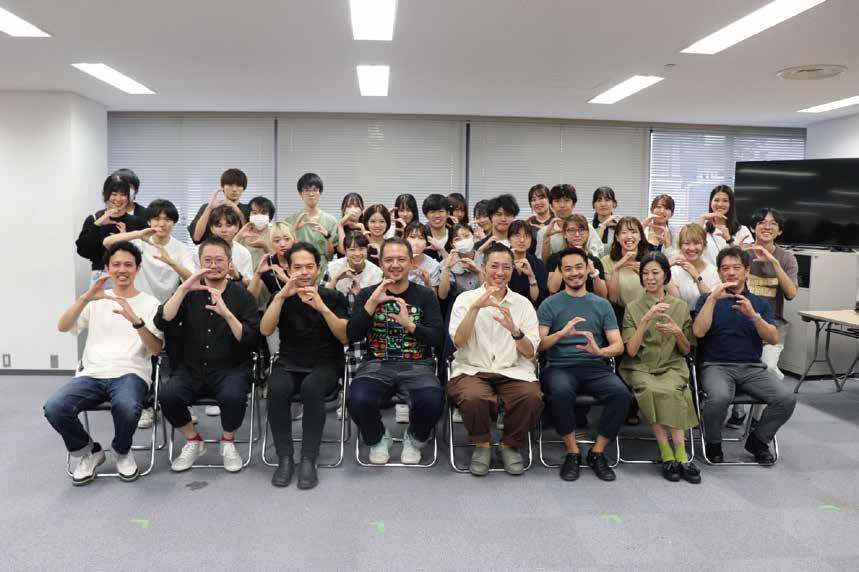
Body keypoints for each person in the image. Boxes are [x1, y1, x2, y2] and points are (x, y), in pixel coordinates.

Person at [44, 242, 163, 485]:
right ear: (107, 268)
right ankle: (89, 452)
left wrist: (137, 322)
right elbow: (63, 326)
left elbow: (156, 349)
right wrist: (85, 298)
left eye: (128, 265)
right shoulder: (96, 300)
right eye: (116, 264)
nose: (122, 270)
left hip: (131, 373)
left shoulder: (151, 303)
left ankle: (122, 451)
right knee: (55, 407)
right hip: (92, 373)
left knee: (128, 407)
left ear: (137, 269)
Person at [155, 237, 261, 472]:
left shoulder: (243, 297)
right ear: (199, 262)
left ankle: (227, 441)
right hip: (190, 369)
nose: (213, 265)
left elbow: (251, 339)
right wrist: (182, 288)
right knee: (168, 395)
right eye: (208, 260)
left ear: (229, 263)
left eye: (219, 260)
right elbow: (162, 320)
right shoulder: (188, 292)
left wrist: (227, 314)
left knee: (234, 396)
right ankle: (193, 440)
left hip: (231, 368)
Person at [691, 246, 796, 465]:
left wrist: (754, 316)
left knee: (786, 398)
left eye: (736, 267)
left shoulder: (759, 303)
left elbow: (773, 338)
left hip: (752, 368)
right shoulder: (706, 300)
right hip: (716, 365)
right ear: (719, 273)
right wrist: (712, 299)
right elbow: (698, 332)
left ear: (747, 271)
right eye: (725, 268)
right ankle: (713, 442)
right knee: (719, 398)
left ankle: (758, 441)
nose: (731, 272)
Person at [346, 237, 445, 464]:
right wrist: (371, 304)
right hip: (376, 363)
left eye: (401, 259)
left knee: (433, 399)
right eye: (389, 260)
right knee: (357, 399)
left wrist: (410, 325)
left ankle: (415, 438)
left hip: (418, 364)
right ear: (380, 263)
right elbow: (352, 335)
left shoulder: (425, 296)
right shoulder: (368, 294)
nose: (395, 265)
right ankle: (378, 437)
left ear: (411, 262)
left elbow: (438, 338)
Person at [448, 243, 544, 476]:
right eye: (494, 266)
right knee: (473, 396)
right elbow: (458, 342)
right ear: (483, 267)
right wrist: (474, 309)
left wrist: (515, 331)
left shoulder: (523, 304)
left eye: (506, 267)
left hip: (513, 370)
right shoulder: (465, 299)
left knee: (531, 396)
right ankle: (481, 445)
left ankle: (510, 445)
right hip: (472, 368)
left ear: (513, 270)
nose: (500, 272)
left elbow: (530, 352)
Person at [538, 246, 631, 482]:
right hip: (559, 366)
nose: (574, 273)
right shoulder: (549, 304)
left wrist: (600, 351)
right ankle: (573, 452)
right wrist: (561, 334)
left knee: (621, 394)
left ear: (588, 268)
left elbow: (618, 345)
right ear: (561, 272)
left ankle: (597, 453)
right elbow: (539, 345)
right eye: (567, 269)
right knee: (561, 392)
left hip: (594, 366)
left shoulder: (601, 304)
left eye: (579, 267)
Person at [260, 243, 349, 489]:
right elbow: (265, 330)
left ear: (318, 269)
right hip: (289, 361)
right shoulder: (281, 297)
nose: (304, 272)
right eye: (298, 267)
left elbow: (344, 337)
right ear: (288, 270)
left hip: (325, 363)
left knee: (312, 388)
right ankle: (285, 458)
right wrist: (281, 296)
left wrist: (321, 306)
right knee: (276, 388)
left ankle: (309, 458)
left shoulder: (333, 297)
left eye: (309, 267)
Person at [620, 253, 701, 484]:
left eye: (655, 272)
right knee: (651, 390)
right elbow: (631, 351)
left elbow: (686, 350)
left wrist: (677, 332)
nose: (650, 278)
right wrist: (644, 321)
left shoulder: (680, 307)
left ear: (665, 275)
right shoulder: (633, 307)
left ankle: (681, 454)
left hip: (672, 364)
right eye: (645, 273)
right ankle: (667, 453)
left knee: (675, 391)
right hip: (640, 366)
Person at [726, 208, 799, 428]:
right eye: (761, 222)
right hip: (740, 323)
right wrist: (738, 254)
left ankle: (756, 420)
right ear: (753, 228)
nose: (767, 227)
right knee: (735, 368)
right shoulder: (742, 254)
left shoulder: (786, 258)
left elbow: (791, 293)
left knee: (768, 369)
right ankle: (738, 411)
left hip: (772, 327)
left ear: (780, 231)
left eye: (773, 223)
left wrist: (773, 262)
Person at [103, 199, 195, 303]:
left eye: (168, 220)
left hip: (166, 305)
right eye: (157, 219)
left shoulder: (182, 248)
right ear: (148, 221)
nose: (162, 224)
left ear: (174, 223)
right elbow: (107, 242)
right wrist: (138, 234)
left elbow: (192, 278)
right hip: (138, 302)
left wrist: (172, 263)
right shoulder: (138, 242)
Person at [76, 174, 146, 283]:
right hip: (101, 275)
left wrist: (126, 239)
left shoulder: (136, 221)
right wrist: (96, 225)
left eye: (123, 195)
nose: (118, 199)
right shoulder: (94, 219)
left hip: (130, 275)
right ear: (105, 194)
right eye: (114, 194)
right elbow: (84, 251)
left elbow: (145, 253)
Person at [284, 173, 339, 283]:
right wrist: (294, 231)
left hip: (322, 270)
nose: (311, 194)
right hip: (298, 270)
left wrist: (327, 236)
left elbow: (330, 257)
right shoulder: (290, 221)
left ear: (320, 192)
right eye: (307, 190)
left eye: (315, 190)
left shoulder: (331, 220)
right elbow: (284, 251)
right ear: (300, 193)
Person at [546, 215, 607, 299]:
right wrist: (564, 258)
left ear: (588, 233)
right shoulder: (554, 258)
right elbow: (552, 289)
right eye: (572, 230)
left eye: (582, 230)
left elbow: (603, 295)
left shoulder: (594, 260)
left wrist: (594, 273)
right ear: (564, 234)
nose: (577, 234)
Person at [537, 184, 601, 261]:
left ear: (574, 204)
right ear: (551, 205)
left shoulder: (586, 228)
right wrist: (546, 238)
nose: (562, 205)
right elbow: (542, 262)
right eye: (557, 201)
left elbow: (598, 253)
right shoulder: (543, 232)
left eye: (566, 200)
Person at [188, 168, 250, 244]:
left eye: (238, 185)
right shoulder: (207, 207)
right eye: (230, 185)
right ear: (222, 187)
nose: (234, 189)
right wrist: (209, 209)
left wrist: (239, 213)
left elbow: (249, 238)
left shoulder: (248, 209)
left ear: (244, 188)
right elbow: (196, 237)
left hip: (238, 251)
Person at [667, 223, 720, 311]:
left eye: (696, 243)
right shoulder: (674, 271)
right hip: (683, 317)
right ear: (680, 246)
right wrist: (665, 267)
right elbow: (677, 304)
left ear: (704, 245)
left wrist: (697, 276)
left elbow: (713, 303)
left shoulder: (714, 272)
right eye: (687, 243)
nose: (691, 248)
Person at [697, 185, 753, 266]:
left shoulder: (742, 230)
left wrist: (729, 240)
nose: (720, 204)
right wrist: (702, 218)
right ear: (711, 202)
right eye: (716, 200)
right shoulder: (703, 228)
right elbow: (694, 249)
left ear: (731, 204)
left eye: (725, 201)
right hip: (707, 273)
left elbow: (747, 261)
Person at [602, 216, 647, 309]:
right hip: (619, 311)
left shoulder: (649, 260)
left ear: (640, 237)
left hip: (646, 309)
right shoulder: (606, 261)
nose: (629, 236)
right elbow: (613, 298)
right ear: (617, 237)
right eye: (624, 232)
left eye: (634, 232)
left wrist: (644, 274)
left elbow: (656, 294)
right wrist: (616, 269)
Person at [205, 205, 254, 289]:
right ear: (212, 228)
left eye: (228, 225)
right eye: (219, 226)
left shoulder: (243, 253)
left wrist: (237, 275)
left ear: (237, 227)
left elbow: (250, 285)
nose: (224, 230)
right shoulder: (202, 251)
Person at [506, 220, 548, 308]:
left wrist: (531, 276)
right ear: (509, 239)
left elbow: (538, 300)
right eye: (517, 235)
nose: (522, 240)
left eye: (526, 236)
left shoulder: (538, 264)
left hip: (530, 310)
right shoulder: (501, 261)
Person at [439, 223, 482, 302]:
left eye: (466, 236)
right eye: (457, 239)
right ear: (452, 245)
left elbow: (489, 289)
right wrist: (447, 268)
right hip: (458, 303)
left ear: (473, 237)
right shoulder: (447, 262)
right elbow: (442, 295)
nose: (463, 241)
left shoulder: (484, 258)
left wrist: (478, 272)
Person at [404, 221, 442, 293]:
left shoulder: (434, 265)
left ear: (426, 243)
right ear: (404, 239)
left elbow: (434, 298)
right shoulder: (396, 260)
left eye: (421, 238)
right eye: (412, 237)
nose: (416, 241)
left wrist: (427, 283)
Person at [422, 193, 452, 261]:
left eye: (441, 211)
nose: (437, 215)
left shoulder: (455, 236)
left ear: (448, 214)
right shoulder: (421, 236)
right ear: (426, 215)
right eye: (432, 212)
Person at [592, 186, 620, 254]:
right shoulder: (587, 227)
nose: (603, 204)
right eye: (599, 200)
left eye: (607, 200)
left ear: (614, 203)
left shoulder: (620, 228)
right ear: (593, 205)